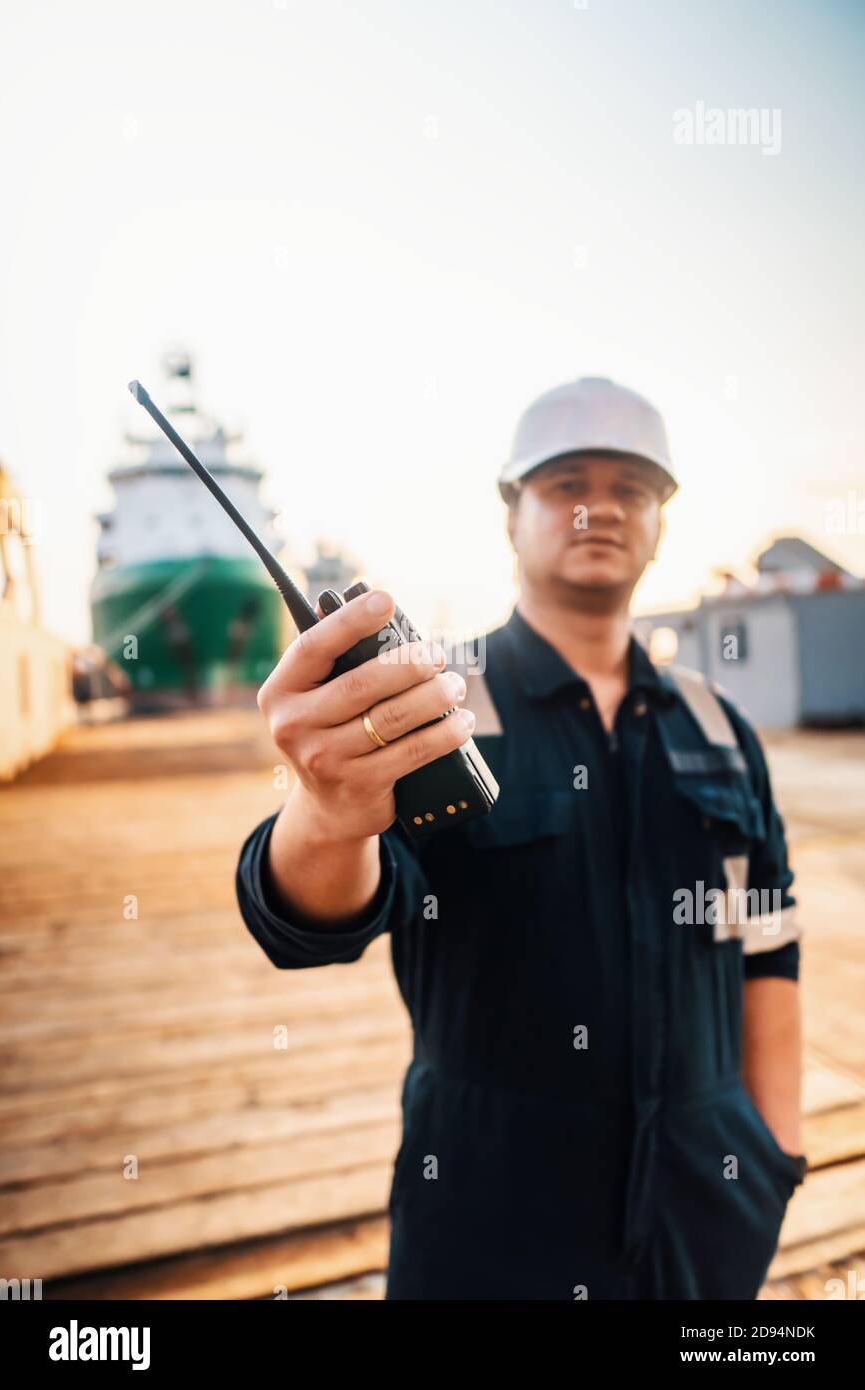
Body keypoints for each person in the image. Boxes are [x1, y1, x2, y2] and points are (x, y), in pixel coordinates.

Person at [236, 376, 806, 1300]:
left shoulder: (719, 728)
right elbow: (316, 918)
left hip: (704, 1234)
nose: (601, 508)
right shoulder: (433, 706)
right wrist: (327, 813)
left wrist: (774, 1150)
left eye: (632, 488)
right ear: (513, 515)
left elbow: (770, 947)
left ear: (663, 521)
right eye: (566, 483)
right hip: (492, 1233)